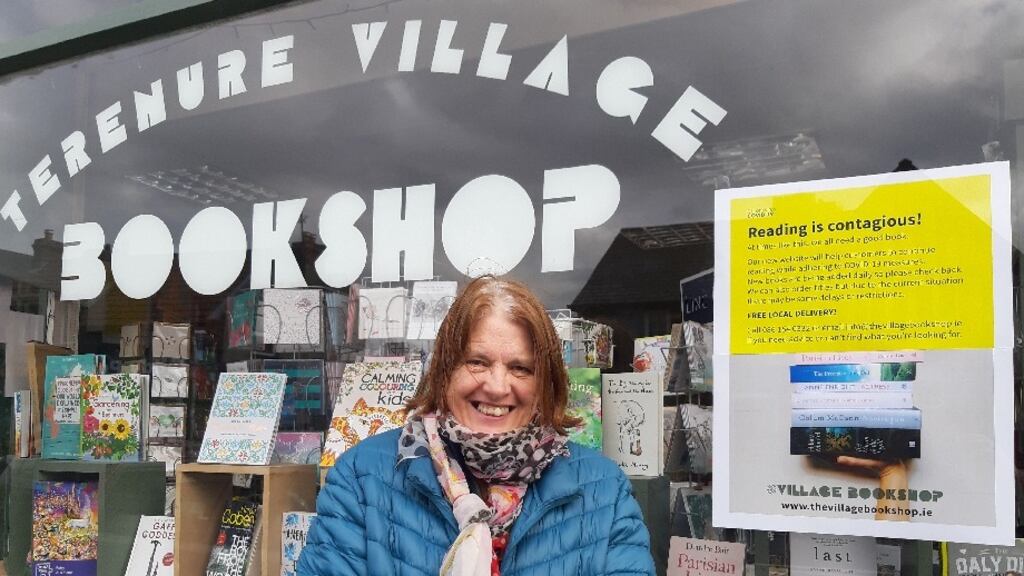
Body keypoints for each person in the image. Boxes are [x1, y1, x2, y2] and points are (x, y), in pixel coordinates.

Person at [298, 276, 656, 575]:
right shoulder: (361, 479)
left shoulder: (603, 491)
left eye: (521, 368)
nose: (498, 387)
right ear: (444, 371)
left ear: (545, 383)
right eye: (477, 362)